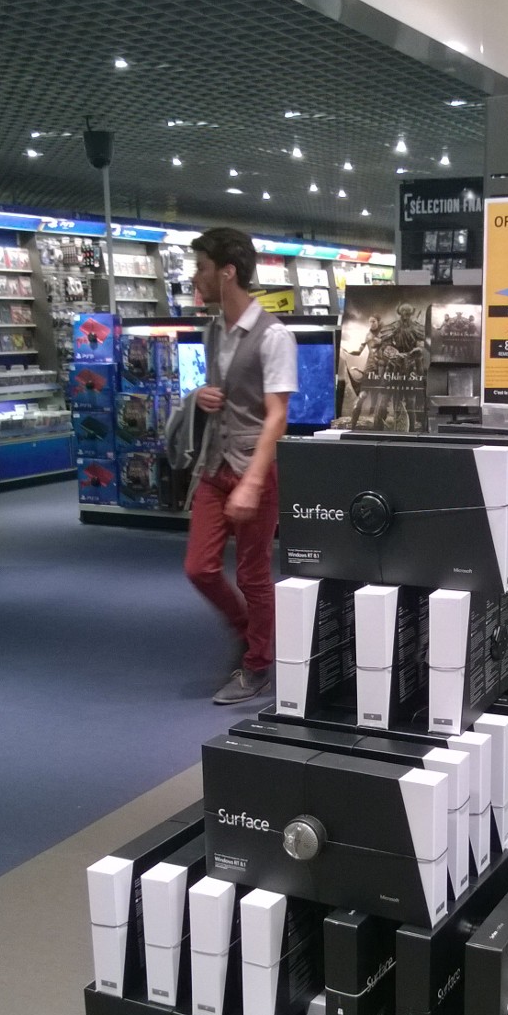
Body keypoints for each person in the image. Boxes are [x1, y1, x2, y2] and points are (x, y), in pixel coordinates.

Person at [184, 227, 297, 705]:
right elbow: (225, 389)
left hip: (256, 469)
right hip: (215, 465)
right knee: (199, 567)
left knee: (253, 574)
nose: (196, 277)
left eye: (202, 268)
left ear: (227, 272)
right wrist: (201, 395)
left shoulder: (275, 336)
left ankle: (257, 665)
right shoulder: (213, 330)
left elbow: (277, 416)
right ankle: (250, 631)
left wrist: (252, 482)